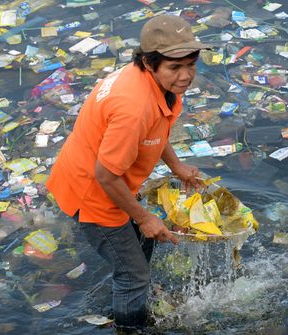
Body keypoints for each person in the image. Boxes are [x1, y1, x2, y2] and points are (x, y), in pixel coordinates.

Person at [45, 15, 210, 329]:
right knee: (134, 275)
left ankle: (130, 289)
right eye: (175, 68)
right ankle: (128, 326)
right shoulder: (133, 108)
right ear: (150, 63)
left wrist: (176, 166)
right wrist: (144, 217)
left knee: (142, 246)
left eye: (191, 65)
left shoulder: (151, 84)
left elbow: (155, 129)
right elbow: (105, 176)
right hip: (93, 193)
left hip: (99, 175)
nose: (186, 76)